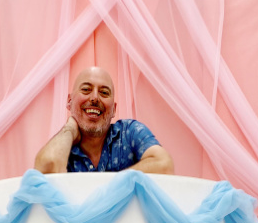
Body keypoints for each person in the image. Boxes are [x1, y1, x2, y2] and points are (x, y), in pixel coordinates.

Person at [34, 67, 174, 175]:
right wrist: (70, 128)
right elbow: (44, 169)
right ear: (69, 101)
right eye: (86, 89)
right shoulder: (63, 146)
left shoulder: (129, 132)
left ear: (113, 109)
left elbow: (164, 165)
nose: (95, 98)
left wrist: (107, 186)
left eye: (104, 92)